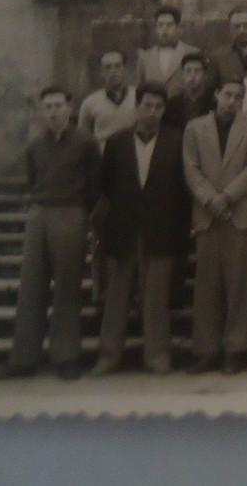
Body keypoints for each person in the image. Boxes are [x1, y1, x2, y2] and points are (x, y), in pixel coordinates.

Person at [0, 87, 101, 381]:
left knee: (67, 285)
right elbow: (32, 181)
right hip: (39, 214)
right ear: (42, 111)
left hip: (71, 212)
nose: (52, 112)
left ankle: (65, 357)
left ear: (70, 108)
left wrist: (80, 212)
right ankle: (24, 358)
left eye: (57, 106)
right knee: (31, 286)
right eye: (47, 107)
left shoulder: (86, 143)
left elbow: (95, 185)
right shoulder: (35, 146)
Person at [89, 82, 190, 376]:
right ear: (137, 106)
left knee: (156, 297)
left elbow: (182, 191)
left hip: (162, 229)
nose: (153, 112)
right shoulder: (117, 142)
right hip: (123, 228)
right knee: (117, 295)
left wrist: (180, 231)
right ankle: (108, 357)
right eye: (148, 105)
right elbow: (106, 187)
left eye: (159, 107)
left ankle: (157, 357)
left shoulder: (177, 141)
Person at [182, 79, 247, 375]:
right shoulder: (194, 128)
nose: (233, 101)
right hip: (207, 215)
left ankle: (235, 348)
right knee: (206, 286)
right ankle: (205, 349)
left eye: (238, 97)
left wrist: (226, 197)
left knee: (238, 284)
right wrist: (210, 200)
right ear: (216, 94)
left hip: (238, 214)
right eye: (228, 95)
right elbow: (191, 169)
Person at [78, 49, 138, 150]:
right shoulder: (90, 102)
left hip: (132, 157)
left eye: (117, 66)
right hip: (103, 159)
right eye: (108, 67)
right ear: (101, 72)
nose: (113, 71)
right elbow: (83, 138)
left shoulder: (138, 97)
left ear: (125, 69)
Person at [137, 5, 200, 96]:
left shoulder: (193, 53)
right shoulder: (145, 57)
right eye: (160, 25)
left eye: (169, 25)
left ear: (178, 28)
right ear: (156, 29)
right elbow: (140, 91)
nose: (164, 29)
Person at [208, 6, 247, 89]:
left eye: (246, 25)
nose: (242, 30)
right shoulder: (217, 57)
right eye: (237, 26)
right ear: (230, 29)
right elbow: (212, 89)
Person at [163, 52, 215, 128]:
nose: (193, 75)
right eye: (188, 71)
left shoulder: (213, 104)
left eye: (197, 71)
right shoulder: (172, 104)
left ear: (205, 75)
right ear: (182, 75)